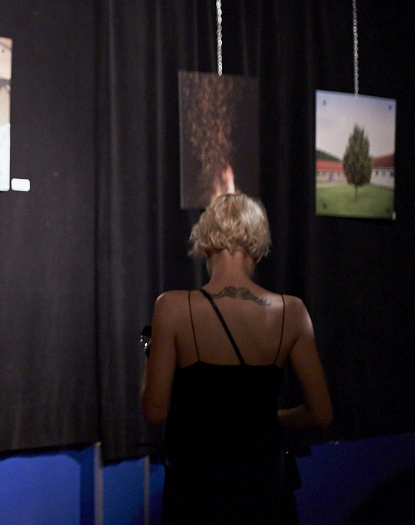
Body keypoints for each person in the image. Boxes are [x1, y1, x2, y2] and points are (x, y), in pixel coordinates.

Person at [142, 193, 332, 525]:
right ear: (258, 253)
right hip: (266, 494)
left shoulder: (171, 307)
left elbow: (155, 411)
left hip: (196, 496)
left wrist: (149, 354)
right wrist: (263, 418)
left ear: (204, 247)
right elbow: (321, 414)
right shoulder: (293, 312)